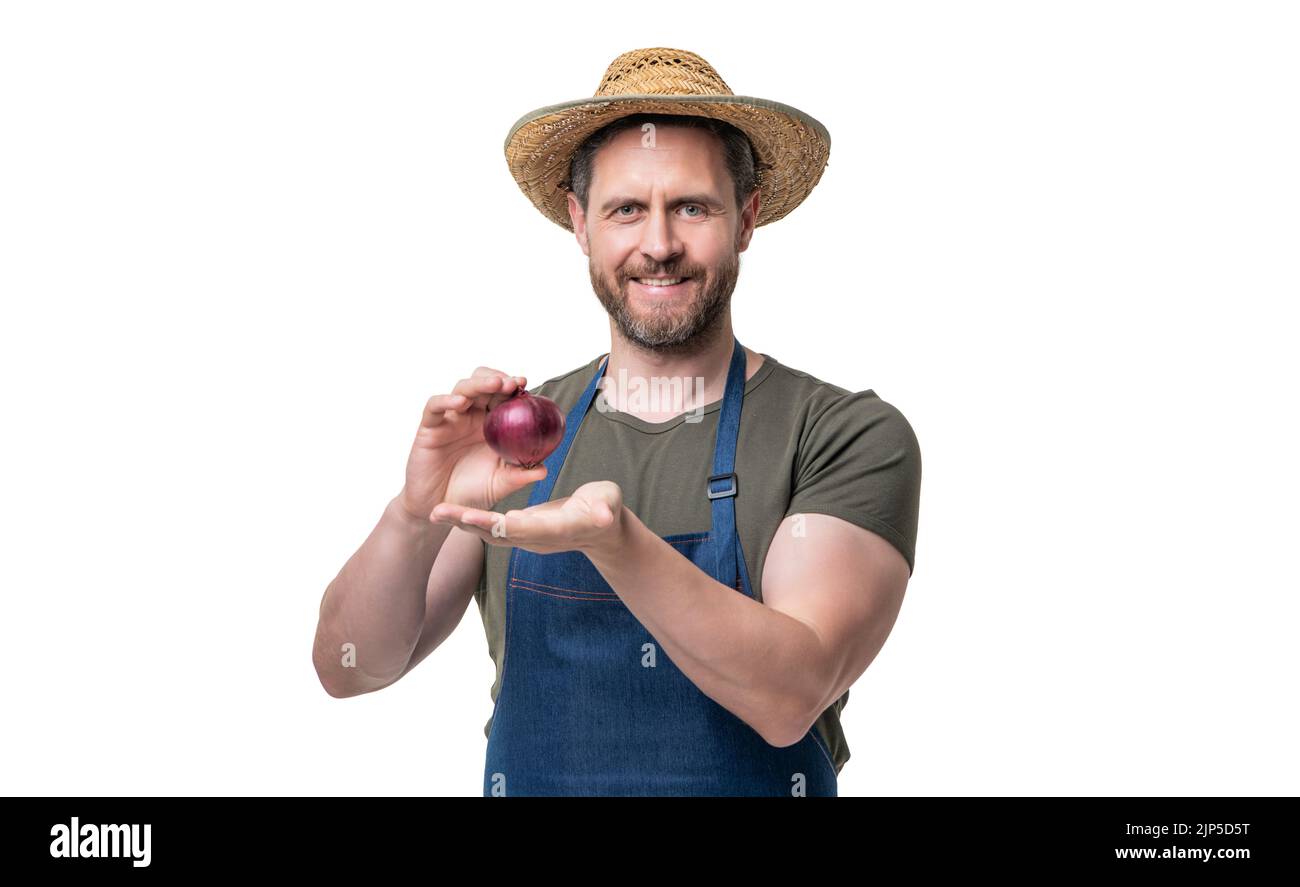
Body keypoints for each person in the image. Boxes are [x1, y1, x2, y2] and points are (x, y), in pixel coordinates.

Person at [314, 47, 922, 797]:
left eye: (692, 206)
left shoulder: (839, 434)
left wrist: (615, 542)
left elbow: (789, 695)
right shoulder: (515, 447)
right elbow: (350, 665)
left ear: (747, 217)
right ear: (580, 224)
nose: (659, 244)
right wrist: (413, 513)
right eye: (626, 209)